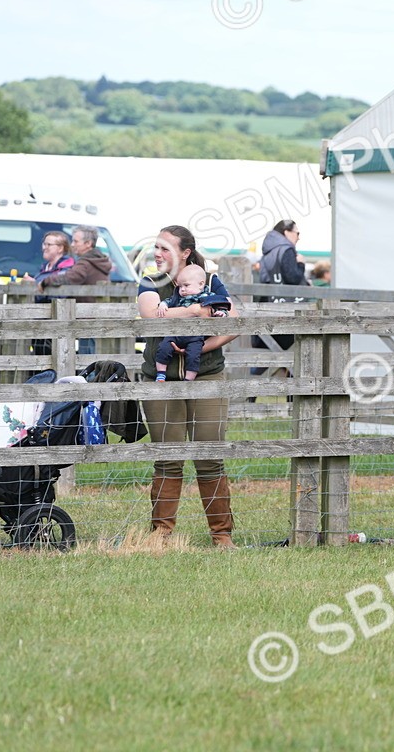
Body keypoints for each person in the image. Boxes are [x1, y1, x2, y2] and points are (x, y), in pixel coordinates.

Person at [138, 225, 240, 548]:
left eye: (165, 248)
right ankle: (162, 534)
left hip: (207, 376)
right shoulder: (150, 281)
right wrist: (196, 311)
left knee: (210, 455)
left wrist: (203, 347)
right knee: (168, 456)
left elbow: (234, 321)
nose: (157, 254)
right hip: (161, 379)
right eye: (156, 247)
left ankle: (221, 534)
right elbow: (152, 316)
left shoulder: (210, 281)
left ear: (185, 253)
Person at [38, 225, 113, 354]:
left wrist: (45, 281)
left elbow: (69, 278)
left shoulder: (86, 263)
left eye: (76, 241)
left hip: (87, 317)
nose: (72, 245)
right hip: (95, 315)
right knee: (92, 355)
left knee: (88, 358)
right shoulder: (97, 261)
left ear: (88, 243)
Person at [153, 264, 232, 382]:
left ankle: (188, 379)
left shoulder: (209, 297)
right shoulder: (178, 298)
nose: (182, 289)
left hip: (196, 336)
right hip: (177, 332)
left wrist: (221, 313)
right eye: (180, 287)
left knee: (194, 355)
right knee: (163, 348)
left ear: (200, 284)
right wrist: (163, 305)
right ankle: (161, 374)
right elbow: (168, 301)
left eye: (186, 285)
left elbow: (221, 306)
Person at [251, 219, 307, 374]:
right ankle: (292, 396)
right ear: (287, 232)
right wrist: (301, 264)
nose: (298, 237)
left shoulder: (268, 252)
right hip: (287, 309)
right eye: (297, 233)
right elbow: (293, 278)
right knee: (293, 355)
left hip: (268, 308)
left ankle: (249, 394)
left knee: (265, 357)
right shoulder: (286, 250)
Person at [21, 231, 75, 355]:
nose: (44, 247)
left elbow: (60, 290)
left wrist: (35, 284)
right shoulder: (45, 267)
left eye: (48, 244)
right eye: (44, 244)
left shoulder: (68, 267)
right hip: (41, 319)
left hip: (57, 321)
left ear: (60, 248)